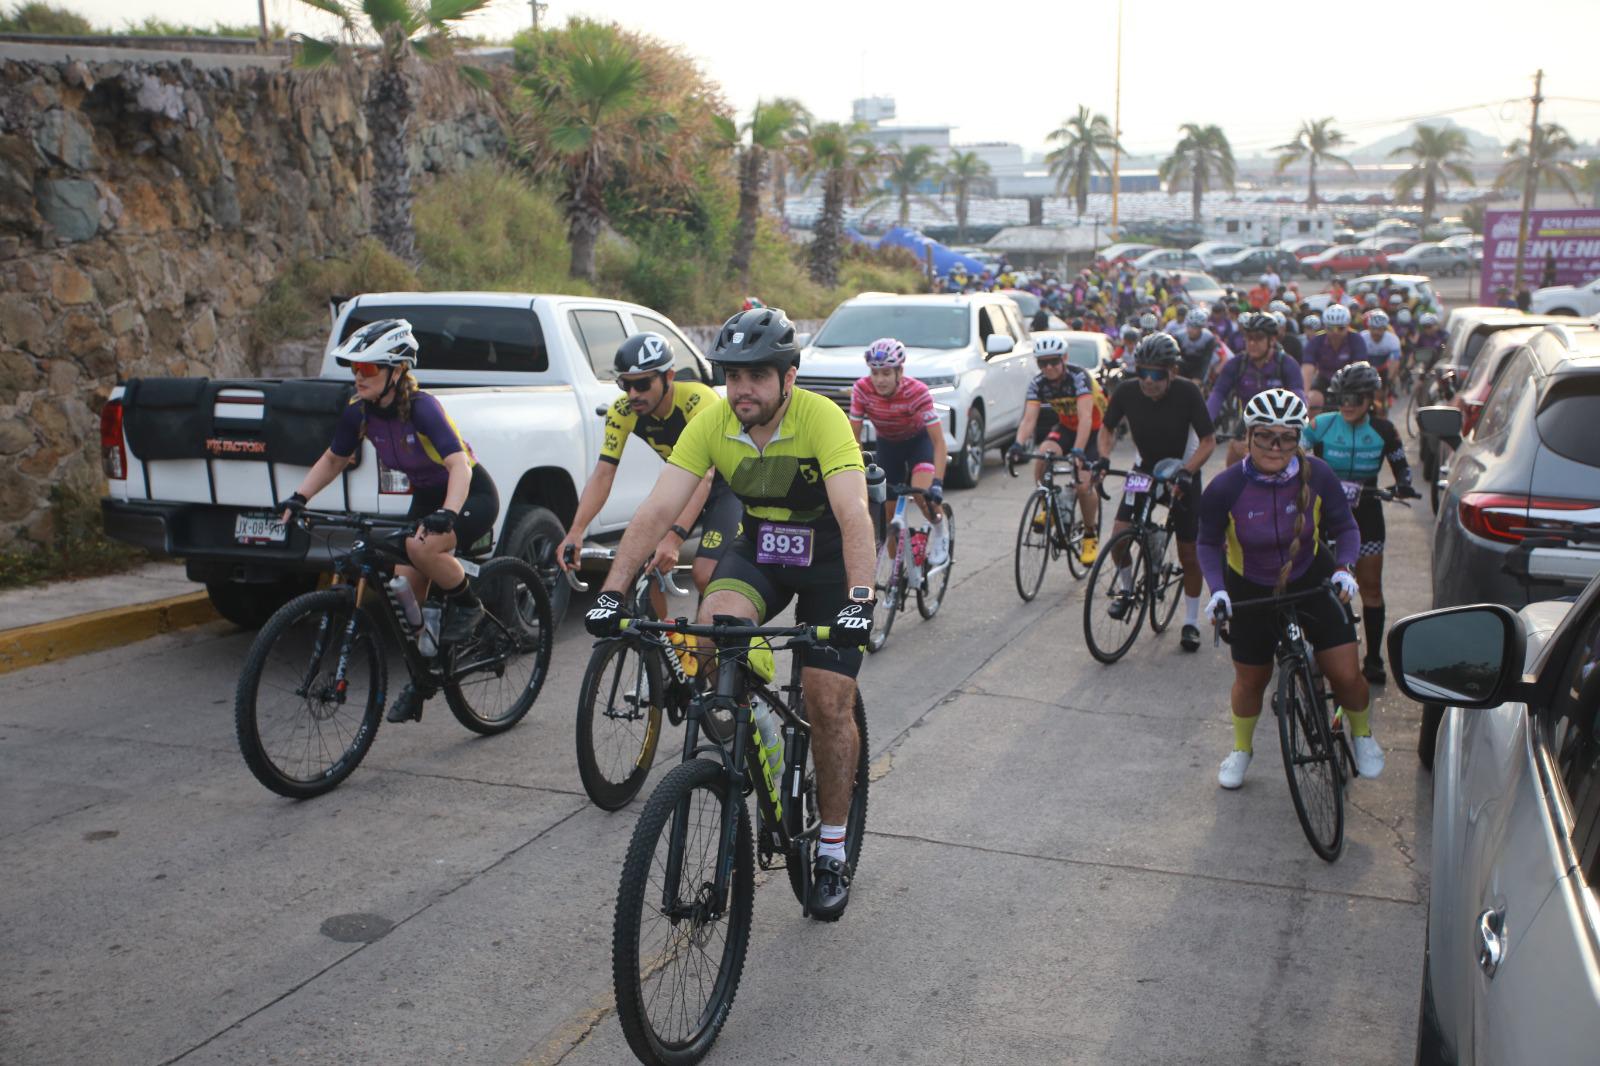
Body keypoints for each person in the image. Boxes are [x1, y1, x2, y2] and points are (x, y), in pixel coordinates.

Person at [582, 306, 875, 920]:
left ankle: (828, 846)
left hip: (825, 561)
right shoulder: (713, 423)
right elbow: (657, 510)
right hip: (762, 548)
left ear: (788, 378)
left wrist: (859, 601)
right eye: (733, 375)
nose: (742, 388)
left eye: (758, 375)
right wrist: (612, 590)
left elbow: (853, 514)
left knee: (826, 701)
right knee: (713, 636)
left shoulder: (822, 418)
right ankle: (755, 728)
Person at [281, 319, 500, 723]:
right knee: (404, 589)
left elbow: (459, 466)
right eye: (355, 369)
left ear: (396, 371)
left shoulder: (423, 408)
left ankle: (470, 607)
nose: (358, 377)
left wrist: (448, 514)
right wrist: (299, 497)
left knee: (422, 546)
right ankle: (424, 676)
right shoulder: (358, 411)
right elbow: (333, 459)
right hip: (425, 498)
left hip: (468, 494)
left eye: (367, 369)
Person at [1197, 388, 1383, 789]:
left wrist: (1345, 568)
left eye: (1287, 437)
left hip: (1311, 578)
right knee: (1250, 681)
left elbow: (1346, 526)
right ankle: (1242, 749)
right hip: (1249, 588)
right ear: (1248, 436)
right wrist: (1217, 590)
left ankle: (1362, 734)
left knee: (1347, 675)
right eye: (1265, 435)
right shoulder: (1225, 487)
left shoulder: (1319, 475)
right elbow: (1207, 542)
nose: (1275, 446)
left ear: (1299, 438)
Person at [557, 332, 741, 614]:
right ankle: (664, 645)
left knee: (705, 574)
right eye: (625, 385)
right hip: (683, 484)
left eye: (642, 384)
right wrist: (576, 531)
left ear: (669, 377)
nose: (633, 394)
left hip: (727, 487)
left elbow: (705, 476)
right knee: (645, 562)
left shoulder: (697, 400)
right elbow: (603, 474)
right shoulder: (622, 410)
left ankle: (721, 647)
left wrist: (674, 538)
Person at [1095, 332, 1216, 652]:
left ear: (1172, 372)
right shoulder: (1127, 391)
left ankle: (1190, 622)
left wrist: (1188, 472)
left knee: (1189, 551)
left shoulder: (1188, 392)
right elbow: (1107, 428)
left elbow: (1208, 441)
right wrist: (1104, 458)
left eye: (1156, 374)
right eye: (1142, 372)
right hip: (1145, 468)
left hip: (1182, 470)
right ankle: (1126, 589)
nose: (1147, 380)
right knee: (1119, 536)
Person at [1301, 362, 1420, 682]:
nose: (1348, 404)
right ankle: (1313, 647)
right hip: (1323, 514)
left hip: (1366, 513)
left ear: (1370, 399)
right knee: (1312, 585)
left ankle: (1374, 658)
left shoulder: (1383, 430)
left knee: (1370, 588)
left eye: (1355, 397)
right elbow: (1295, 451)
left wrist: (1403, 485)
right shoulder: (1322, 424)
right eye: (1342, 397)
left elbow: (1402, 468)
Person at [849, 337, 950, 566]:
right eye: (875, 373)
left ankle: (940, 531)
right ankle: (898, 570)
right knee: (887, 514)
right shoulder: (862, 390)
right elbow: (854, 437)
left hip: (918, 443)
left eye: (886, 373)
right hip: (888, 446)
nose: (879, 380)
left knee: (922, 495)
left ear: (899, 371)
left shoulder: (917, 391)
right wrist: (856, 471)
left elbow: (939, 441)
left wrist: (938, 482)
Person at [1009, 334, 1104, 565]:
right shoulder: (1038, 383)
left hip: (1094, 430)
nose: (1048, 367)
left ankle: (1090, 535)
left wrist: (1078, 452)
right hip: (1067, 426)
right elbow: (1029, 419)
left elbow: (1085, 418)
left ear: (1064, 358)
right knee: (1043, 454)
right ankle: (1047, 505)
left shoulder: (1078, 377)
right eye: (1042, 363)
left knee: (1083, 485)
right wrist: (1018, 444)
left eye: (1053, 361)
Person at [1207, 311, 1305, 463]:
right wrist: (1205, 425)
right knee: (1234, 455)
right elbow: (1218, 394)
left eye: (1258, 338)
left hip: (1282, 423)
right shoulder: (1236, 364)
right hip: (1250, 420)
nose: (1252, 343)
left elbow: (1298, 396)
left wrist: (1301, 426)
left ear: (1272, 340)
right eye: (1248, 338)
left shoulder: (1287, 364)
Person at [1300, 302, 1368, 412]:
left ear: (1348, 326)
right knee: (1313, 400)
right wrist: (1304, 395)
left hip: (1349, 380)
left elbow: (1359, 368)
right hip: (1324, 378)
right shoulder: (1316, 341)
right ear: (1325, 327)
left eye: (1340, 328)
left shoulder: (1356, 339)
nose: (1335, 333)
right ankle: (1313, 427)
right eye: (1331, 328)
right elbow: (1307, 369)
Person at [1176, 307, 1222, 386]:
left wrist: (1199, 378)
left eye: (1195, 327)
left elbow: (1206, 361)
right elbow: (1176, 358)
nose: (1190, 329)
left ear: (1201, 328)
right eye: (1189, 325)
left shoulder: (1208, 338)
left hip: (1200, 363)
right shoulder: (1179, 336)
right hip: (1183, 363)